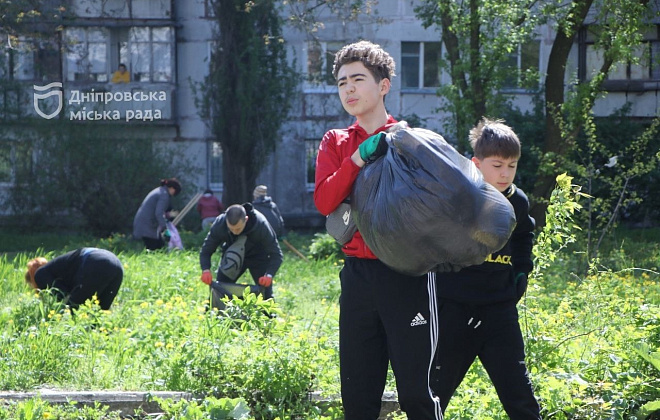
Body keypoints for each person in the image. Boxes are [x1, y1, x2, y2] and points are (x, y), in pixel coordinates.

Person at [313, 40, 442, 420]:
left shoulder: (410, 141)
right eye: (341, 83)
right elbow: (324, 201)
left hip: (407, 274)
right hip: (358, 279)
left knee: (418, 395)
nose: (348, 89)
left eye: (357, 79)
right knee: (357, 397)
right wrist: (357, 158)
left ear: (383, 86)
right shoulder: (335, 142)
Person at [431, 118, 541, 419]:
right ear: (476, 163)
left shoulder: (518, 201)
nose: (505, 173)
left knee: (519, 394)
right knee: (434, 395)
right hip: (454, 311)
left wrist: (522, 272)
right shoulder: (457, 197)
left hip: (499, 312)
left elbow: (523, 237)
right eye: (497, 165)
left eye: (512, 165)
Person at [199, 203, 283, 300]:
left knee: (266, 296)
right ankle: (214, 313)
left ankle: (269, 315)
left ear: (246, 220)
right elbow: (206, 250)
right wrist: (205, 270)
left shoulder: (261, 225)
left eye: (238, 228)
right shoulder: (220, 224)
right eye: (231, 229)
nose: (235, 232)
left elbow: (276, 255)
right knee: (219, 290)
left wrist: (269, 275)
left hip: (258, 257)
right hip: (233, 256)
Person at [25, 248, 123, 310]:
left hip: (95, 263)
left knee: (71, 309)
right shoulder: (59, 268)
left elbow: (65, 297)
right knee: (101, 313)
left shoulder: (40, 274)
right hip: (116, 264)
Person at [133, 178, 182, 250]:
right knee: (156, 250)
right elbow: (159, 213)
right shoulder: (164, 195)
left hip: (144, 225)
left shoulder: (160, 190)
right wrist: (165, 229)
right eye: (175, 191)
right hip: (148, 227)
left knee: (160, 246)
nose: (174, 194)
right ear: (172, 188)